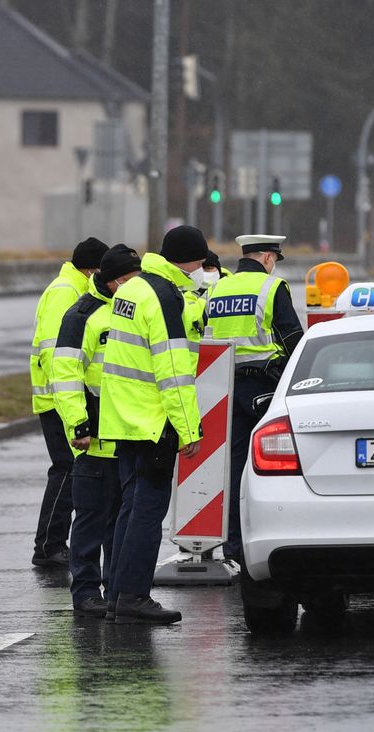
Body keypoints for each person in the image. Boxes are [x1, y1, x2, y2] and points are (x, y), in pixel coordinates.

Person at [99, 225, 208, 624]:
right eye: (200, 262)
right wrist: (189, 428)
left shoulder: (133, 288)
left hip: (124, 418)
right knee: (146, 512)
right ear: (191, 260)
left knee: (129, 509)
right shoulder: (164, 296)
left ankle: (117, 594)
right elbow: (173, 369)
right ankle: (133, 596)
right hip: (153, 420)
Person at [50, 244, 141, 618]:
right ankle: (86, 592)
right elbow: (66, 374)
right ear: (113, 279)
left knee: (121, 521)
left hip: (128, 434)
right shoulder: (81, 316)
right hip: (94, 437)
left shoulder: (131, 310)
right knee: (90, 517)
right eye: (129, 280)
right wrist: (78, 424)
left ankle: (117, 589)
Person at [204, 234, 304, 564]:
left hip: (224, 387)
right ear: (265, 258)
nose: (274, 266)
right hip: (264, 385)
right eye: (274, 260)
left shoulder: (218, 289)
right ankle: (267, 540)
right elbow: (292, 337)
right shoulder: (271, 288)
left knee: (232, 468)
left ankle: (232, 547)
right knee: (270, 466)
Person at [28, 236, 108, 568]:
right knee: (66, 469)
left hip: (61, 396)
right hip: (58, 398)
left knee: (69, 469)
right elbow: (55, 350)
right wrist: (66, 398)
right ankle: (48, 545)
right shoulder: (66, 292)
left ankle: (52, 543)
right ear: (93, 270)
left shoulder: (75, 289)